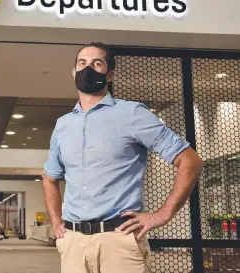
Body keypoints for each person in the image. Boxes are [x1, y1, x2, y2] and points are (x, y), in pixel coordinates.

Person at [43, 42, 204, 273]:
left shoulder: (131, 113)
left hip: (119, 240)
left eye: (97, 63)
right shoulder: (63, 125)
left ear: (110, 74)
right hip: (73, 243)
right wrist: (56, 222)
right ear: (73, 72)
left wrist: (163, 214)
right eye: (82, 63)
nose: (88, 69)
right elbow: (50, 178)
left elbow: (190, 161)